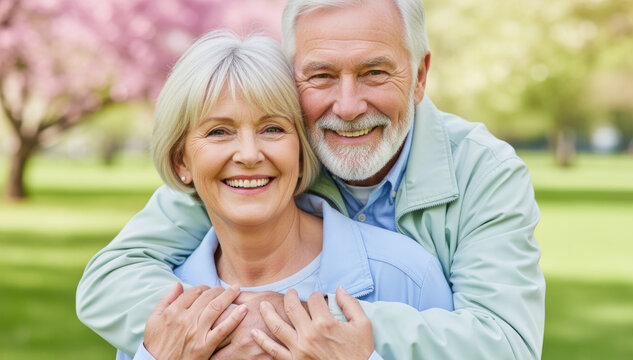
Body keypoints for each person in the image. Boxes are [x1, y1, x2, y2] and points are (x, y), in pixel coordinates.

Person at [77, 0, 545, 359]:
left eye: (374, 73)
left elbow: (507, 343)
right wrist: (233, 326)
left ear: (420, 76)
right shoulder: (261, 164)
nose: (347, 106)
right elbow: (109, 281)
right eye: (320, 76)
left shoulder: (483, 173)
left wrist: (338, 332)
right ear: (291, 80)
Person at [104, 29, 453, 360]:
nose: (249, 154)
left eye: (272, 128)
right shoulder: (164, 313)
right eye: (219, 131)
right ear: (181, 160)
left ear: (301, 153)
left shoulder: (407, 276)